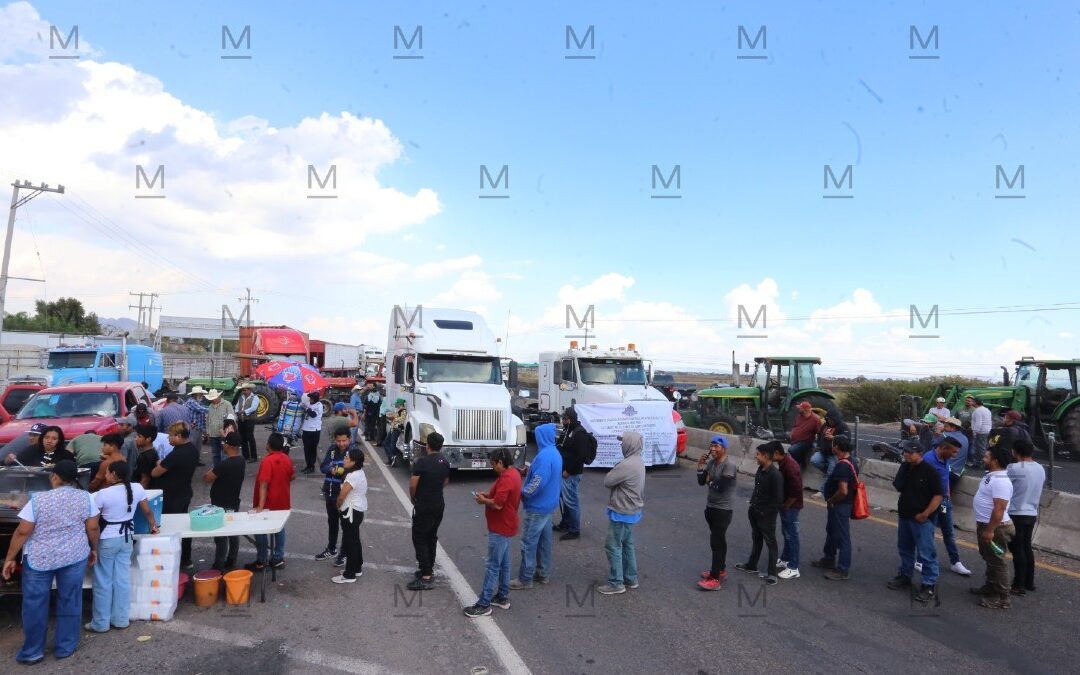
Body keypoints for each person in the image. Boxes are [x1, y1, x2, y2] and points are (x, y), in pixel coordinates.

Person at [1, 460, 100, 664]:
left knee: (34, 604)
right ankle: (65, 647)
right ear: (73, 479)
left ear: (54, 476)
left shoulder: (38, 500)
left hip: (40, 559)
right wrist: (94, 549)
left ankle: (33, 652)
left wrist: (10, 558)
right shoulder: (86, 498)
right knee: (70, 600)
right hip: (74, 556)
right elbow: (92, 528)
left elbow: (22, 531)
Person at [87, 460, 158, 633]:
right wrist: (153, 526)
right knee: (122, 579)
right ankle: (121, 619)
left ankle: (101, 623)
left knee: (103, 581)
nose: (105, 475)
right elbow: (148, 511)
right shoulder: (138, 488)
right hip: (127, 538)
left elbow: (94, 525)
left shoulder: (103, 494)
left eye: (107, 472)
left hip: (107, 540)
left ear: (114, 475)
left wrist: (93, 547)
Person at [464, 448, 522, 616]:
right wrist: (487, 495)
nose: (492, 466)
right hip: (507, 524)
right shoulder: (513, 473)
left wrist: (483, 501)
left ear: (501, 463)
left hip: (501, 526)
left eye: (493, 463)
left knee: (492, 565)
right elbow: (498, 497)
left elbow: (497, 504)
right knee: (504, 563)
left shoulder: (507, 478)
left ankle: (484, 604)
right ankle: (502, 597)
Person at [885, 440, 943, 605]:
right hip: (905, 516)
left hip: (921, 519)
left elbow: (938, 496)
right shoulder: (905, 467)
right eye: (905, 452)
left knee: (926, 553)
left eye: (910, 452)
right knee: (905, 548)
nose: (906, 454)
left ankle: (929, 585)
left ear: (921, 454)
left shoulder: (930, 472)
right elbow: (898, 486)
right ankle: (905, 575)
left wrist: (925, 513)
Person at [510, 423, 562, 590]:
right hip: (548, 504)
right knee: (544, 542)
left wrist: (524, 493)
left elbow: (539, 480)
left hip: (537, 506)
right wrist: (529, 470)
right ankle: (543, 573)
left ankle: (525, 578)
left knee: (529, 542)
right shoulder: (554, 452)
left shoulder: (545, 456)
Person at [597, 431, 645, 595]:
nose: (621, 444)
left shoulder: (626, 464)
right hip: (632, 510)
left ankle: (616, 582)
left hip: (622, 510)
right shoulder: (638, 461)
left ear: (630, 444)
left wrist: (616, 467)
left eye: (623, 442)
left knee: (613, 546)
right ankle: (631, 578)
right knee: (627, 545)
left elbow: (607, 481)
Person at [970, 445, 1015, 609]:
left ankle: (1002, 597)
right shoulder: (992, 475)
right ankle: (990, 587)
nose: (983, 459)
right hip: (986, 525)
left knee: (998, 561)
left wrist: (989, 530)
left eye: (986, 457)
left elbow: (999, 509)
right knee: (989, 557)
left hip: (997, 528)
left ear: (995, 461)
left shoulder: (1002, 482)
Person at [150, 422, 199, 570]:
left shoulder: (177, 454)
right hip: (184, 492)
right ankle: (186, 558)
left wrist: (159, 465)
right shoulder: (192, 449)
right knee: (183, 527)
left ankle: (171, 560)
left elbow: (155, 472)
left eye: (171, 435)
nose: (168, 439)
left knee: (169, 528)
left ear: (178, 436)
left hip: (172, 496)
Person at [734, 443, 784, 585]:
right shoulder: (760, 469)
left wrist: (765, 512)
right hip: (755, 511)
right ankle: (752, 565)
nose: (755, 457)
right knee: (756, 539)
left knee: (770, 543)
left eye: (758, 454)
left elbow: (778, 499)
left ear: (766, 456)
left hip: (766, 515)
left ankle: (772, 573)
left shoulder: (776, 475)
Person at [922, 436, 972, 576]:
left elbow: (945, 475)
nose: (955, 455)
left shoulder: (946, 457)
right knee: (929, 532)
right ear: (944, 448)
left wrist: (948, 493)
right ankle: (922, 560)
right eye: (954, 452)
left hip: (944, 502)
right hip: (932, 501)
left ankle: (955, 562)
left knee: (948, 532)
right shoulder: (928, 459)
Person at [407, 432, 451, 591]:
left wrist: (413, 497)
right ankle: (429, 567)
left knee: (419, 537)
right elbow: (446, 481)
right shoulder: (445, 462)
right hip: (438, 503)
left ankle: (426, 575)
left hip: (424, 504)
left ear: (427, 445)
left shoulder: (422, 462)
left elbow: (413, 484)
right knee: (431, 535)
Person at [246, 432, 295, 571]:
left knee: (260, 530)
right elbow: (292, 476)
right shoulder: (286, 458)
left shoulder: (267, 461)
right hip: (283, 501)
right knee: (279, 530)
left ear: (268, 444)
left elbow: (263, 484)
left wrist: (260, 506)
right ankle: (278, 558)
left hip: (268, 504)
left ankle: (261, 560)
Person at [812, 435, 856, 580]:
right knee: (832, 531)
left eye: (833, 444)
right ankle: (828, 558)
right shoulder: (850, 461)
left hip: (840, 505)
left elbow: (843, 490)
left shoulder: (843, 465)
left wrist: (831, 500)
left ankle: (842, 569)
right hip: (839, 504)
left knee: (842, 536)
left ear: (836, 447)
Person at [696, 436, 737, 591]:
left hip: (723, 510)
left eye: (717, 446)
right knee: (719, 540)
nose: (713, 449)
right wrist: (701, 466)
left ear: (724, 449)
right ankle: (720, 569)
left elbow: (721, 487)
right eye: (711, 446)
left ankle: (715, 579)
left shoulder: (729, 465)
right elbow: (701, 482)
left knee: (716, 543)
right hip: (711, 507)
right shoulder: (712, 463)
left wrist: (709, 479)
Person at [1007, 440, 1045, 595]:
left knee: (1017, 549)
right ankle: (1029, 582)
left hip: (1016, 512)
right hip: (1032, 512)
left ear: (1016, 451)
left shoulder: (1014, 468)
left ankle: (1018, 584)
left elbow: (1003, 484)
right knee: (1026, 547)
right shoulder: (1040, 468)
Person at [203, 431, 246, 571]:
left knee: (220, 536)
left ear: (227, 445)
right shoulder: (241, 461)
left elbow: (208, 477)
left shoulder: (225, 464)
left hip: (220, 503)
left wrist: (212, 471)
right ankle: (232, 559)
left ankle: (219, 564)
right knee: (232, 533)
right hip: (233, 501)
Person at [315, 429, 353, 565]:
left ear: (349, 439)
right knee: (332, 522)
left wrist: (340, 471)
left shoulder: (353, 452)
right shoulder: (332, 449)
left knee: (346, 525)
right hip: (329, 492)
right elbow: (323, 466)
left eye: (344, 440)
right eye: (339, 441)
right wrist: (331, 469)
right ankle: (331, 549)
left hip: (343, 495)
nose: (341, 443)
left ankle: (344, 553)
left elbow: (353, 471)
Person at [332, 447, 368, 584]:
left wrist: (338, 506)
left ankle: (349, 574)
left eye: (347, 458)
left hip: (351, 511)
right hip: (357, 510)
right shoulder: (358, 472)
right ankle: (357, 567)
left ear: (353, 462)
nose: (344, 460)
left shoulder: (353, 476)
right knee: (354, 540)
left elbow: (342, 496)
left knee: (350, 542)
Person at [554, 407, 590, 541]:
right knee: (566, 500)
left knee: (571, 501)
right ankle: (566, 523)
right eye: (563, 419)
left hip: (571, 474)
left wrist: (568, 471)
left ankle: (574, 530)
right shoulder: (568, 430)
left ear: (572, 419)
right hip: (565, 472)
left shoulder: (579, 433)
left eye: (565, 419)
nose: (563, 421)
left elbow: (580, 456)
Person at [772, 440, 804, 580]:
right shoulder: (783, 463)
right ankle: (785, 558)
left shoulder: (790, 466)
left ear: (777, 453)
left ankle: (793, 567)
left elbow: (796, 490)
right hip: (786, 504)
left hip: (791, 506)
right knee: (786, 533)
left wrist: (787, 505)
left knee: (792, 535)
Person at [810, 413, 848, 489]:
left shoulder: (843, 426)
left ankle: (823, 490)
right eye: (828, 419)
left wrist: (833, 438)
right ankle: (832, 473)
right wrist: (818, 446)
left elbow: (846, 439)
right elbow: (820, 435)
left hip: (834, 453)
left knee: (831, 471)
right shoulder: (825, 425)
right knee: (814, 460)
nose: (829, 421)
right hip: (823, 451)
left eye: (831, 420)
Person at [205, 389, 235, 467]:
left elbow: (232, 418)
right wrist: (208, 431)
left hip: (224, 435)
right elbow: (208, 420)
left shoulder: (227, 404)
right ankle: (217, 470)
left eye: (213, 398)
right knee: (215, 454)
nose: (212, 400)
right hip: (213, 434)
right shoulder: (210, 406)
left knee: (224, 454)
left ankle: (224, 471)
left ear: (218, 396)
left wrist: (228, 432)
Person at [788, 401, 822, 467]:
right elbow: (795, 426)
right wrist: (792, 432)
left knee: (791, 450)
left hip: (805, 441)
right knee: (793, 451)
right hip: (795, 441)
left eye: (800, 408)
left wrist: (818, 445)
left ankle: (801, 463)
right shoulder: (799, 416)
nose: (798, 409)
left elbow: (820, 433)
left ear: (805, 410)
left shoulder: (815, 419)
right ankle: (798, 465)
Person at [184, 386, 210, 466]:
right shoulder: (192, 402)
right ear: (196, 394)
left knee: (197, 445)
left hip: (198, 426)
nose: (202, 396)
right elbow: (202, 409)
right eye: (201, 394)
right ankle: (191, 461)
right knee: (193, 445)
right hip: (193, 427)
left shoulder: (196, 401)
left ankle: (195, 460)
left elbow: (204, 407)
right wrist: (214, 409)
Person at [299, 391, 324, 474]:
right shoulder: (308, 403)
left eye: (312, 398)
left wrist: (306, 408)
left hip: (314, 430)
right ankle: (308, 465)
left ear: (316, 399)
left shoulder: (319, 405)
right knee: (306, 449)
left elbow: (313, 414)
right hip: (306, 429)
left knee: (312, 449)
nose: (310, 399)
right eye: (310, 397)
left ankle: (311, 466)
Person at [235, 382, 260, 462]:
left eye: (244, 390)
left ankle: (253, 456)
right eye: (243, 390)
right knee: (243, 438)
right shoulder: (241, 397)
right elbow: (236, 406)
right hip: (241, 420)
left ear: (249, 390)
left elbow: (253, 408)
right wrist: (237, 411)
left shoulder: (255, 397)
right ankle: (245, 456)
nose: (243, 392)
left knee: (250, 438)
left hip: (249, 420)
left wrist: (242, 411)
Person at [382, 398, 408, 466]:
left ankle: (392, 458)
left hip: (397, 429)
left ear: (399, 404)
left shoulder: (403, 411)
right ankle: (391, 457)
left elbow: (402, 420)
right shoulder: (398, 410)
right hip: (393, 428)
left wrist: (393, 418)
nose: (395, 405)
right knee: (385, 443)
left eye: (396, 404)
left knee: (392, 444)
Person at [970, 397, 993, 468]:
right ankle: (982, 463)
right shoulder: (987, 410)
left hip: (981, 432)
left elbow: (978, 423)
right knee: (984, 447)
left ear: (975, 403)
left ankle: (981, 464)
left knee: (980, 448)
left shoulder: (978, 411)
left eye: (972, 401)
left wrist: (974, 432)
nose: (971, 403)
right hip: (987, 431)